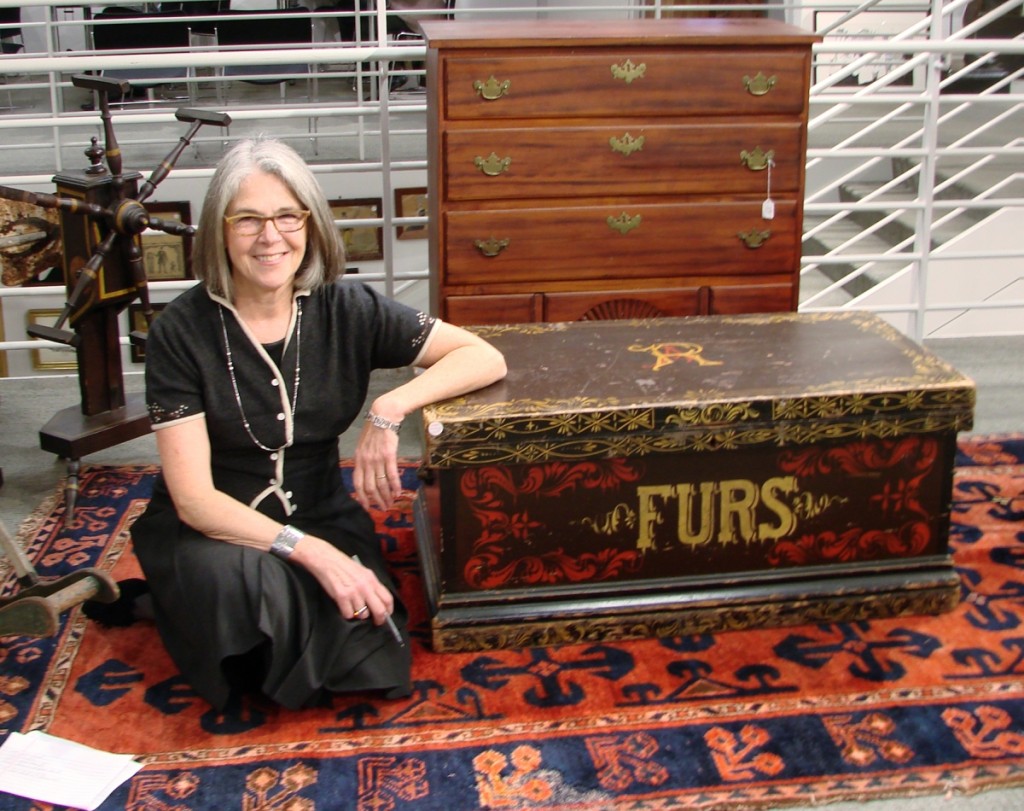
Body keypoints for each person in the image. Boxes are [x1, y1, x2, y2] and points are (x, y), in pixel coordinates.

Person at [104, 136, 506, 711]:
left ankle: (221, 615)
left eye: (287, 216)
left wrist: (388, 412)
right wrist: (314, 554)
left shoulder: (347, 308)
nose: (271, 237)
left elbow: (483, 356)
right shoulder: (179, 331)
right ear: (220, 230)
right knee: (257, 590)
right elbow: (193, 500)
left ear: (311, 224)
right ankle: (180, 601)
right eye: (248, 220)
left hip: (319, 508)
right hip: (216, 525)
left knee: (374, 640)